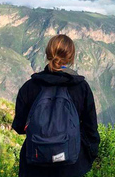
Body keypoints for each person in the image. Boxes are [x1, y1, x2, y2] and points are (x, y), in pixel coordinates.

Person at [12, 34, 100, 177]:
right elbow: (91, 129)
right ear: (71, 58)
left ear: (48, 54)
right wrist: (87, 157)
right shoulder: (81, 88)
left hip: (34, 165)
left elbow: (19, 126)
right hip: (71, 166)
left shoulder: (29, 87)